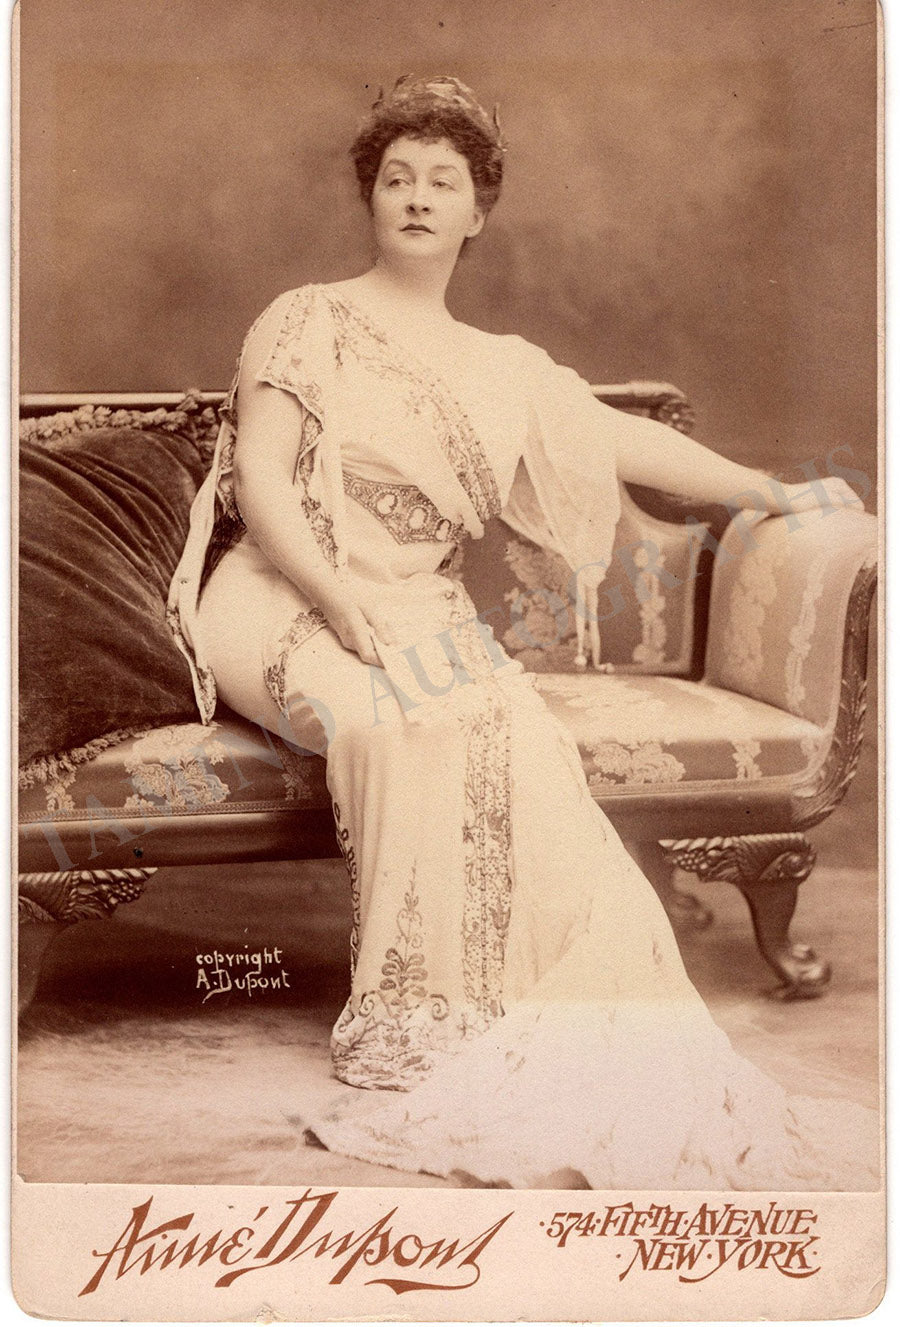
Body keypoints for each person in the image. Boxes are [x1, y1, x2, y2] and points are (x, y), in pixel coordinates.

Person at [167, 74, 876, 1188]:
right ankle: (411, 1017)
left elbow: (627, 443)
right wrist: (340, 601)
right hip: (277, 598)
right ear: (371, 198)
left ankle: (493, 1005)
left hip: (421, 609)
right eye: (396, 178)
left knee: (517, 738)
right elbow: (259, 478)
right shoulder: (306, 319)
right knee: (392, 722)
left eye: (442, 182)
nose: (416, 197)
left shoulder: (504, 368)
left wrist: (773, 492)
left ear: (477, 213)